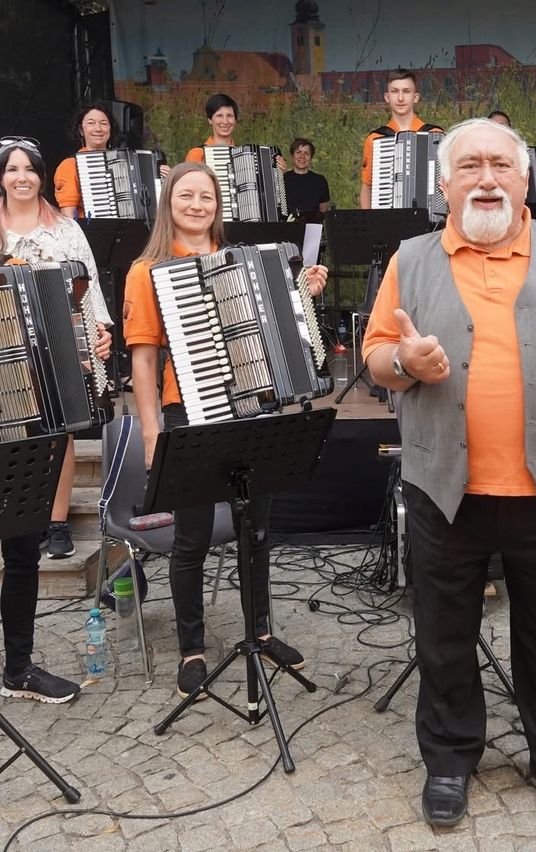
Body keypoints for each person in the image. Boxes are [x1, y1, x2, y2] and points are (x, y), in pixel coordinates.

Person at [363, 117, 536, 828]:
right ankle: (452, 758)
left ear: (527, 180)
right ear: (444, 182)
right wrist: (405, 364)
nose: (487, 178)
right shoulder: (411, 258)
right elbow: (372, 353)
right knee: (444, 634)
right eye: (471, 167)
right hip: (442, 487)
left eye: (502, 165)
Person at [122, 161, 327, 698]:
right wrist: (150, 433)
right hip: (186, 413)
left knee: (255, 531)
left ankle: (260, 630)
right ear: (169, 203)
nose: (196, 205)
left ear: (219, 206)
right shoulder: (147, 270)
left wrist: (304, 293)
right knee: (190, 538)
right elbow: (144, 361)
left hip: (253, 407)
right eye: (185, 196)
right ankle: (192, 647)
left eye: (206, 197)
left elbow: (289, 329)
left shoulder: (247, 264)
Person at [0, 146, 111, 705]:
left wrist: (100, 342)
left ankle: (16, 669)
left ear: (43, 177)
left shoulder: (67, 230)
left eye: (30, 169)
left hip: (45, 385)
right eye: (11, 169)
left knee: (21, 547)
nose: (22, 177)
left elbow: (89, 300)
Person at [358, 69, 442, 209]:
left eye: (406, 91)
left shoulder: (435, 134)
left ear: (415, 97)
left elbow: (447, 184)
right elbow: (367, 186)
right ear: (387, 97)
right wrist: (370, 224)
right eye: (395, 91)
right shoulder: (376, 139)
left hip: (428, 223)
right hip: (387, 221)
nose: (400, 98)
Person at [54, 103, 119, 219]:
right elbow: (68, 215)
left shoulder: (121, 160)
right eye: (91, 123)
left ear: (110, 129)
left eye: (103, 123)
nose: (98, 129)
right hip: (88, 233)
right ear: (81, 130)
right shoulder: (70, 165)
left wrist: (159, 178)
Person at [283, 138, 330, 215]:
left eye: (306, 153)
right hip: (287, 225)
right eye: (298, 152)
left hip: (313, 225)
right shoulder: (282, 179)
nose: (302, 156)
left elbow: (323, 209)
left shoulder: (320, 181)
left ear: (311, 158)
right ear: (292, 156)